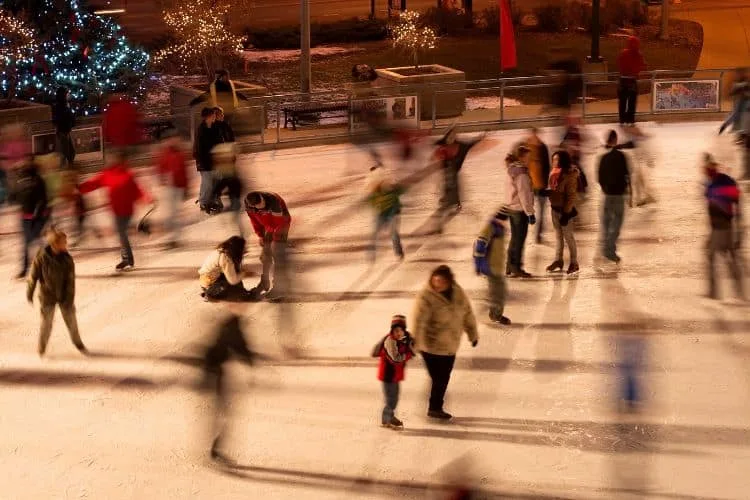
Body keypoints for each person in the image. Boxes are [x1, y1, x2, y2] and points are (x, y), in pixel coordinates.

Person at [413, 265, 478, 420]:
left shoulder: (457, 292)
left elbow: (467, 313)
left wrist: (473, 334)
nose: (437, 285)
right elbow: (419, 321)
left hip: (450, 344)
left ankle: (435, 406)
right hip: (431, 346)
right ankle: (435, 407)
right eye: (435, 281)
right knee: (439, 378)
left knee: (443, 377)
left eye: (441, 281)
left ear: (449, 281)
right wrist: (415, 343)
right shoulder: (426, 296)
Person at [78, 157, 153, 271]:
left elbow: (137, 190)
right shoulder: (108, 174)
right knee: (122, 234)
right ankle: (127, 258)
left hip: (127, 211)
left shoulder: (126, 175)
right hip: (117, 210)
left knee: (122, 233)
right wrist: (80, 187)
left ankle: (127, 260)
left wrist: (147, 198)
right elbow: (94, 183)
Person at [201, 313, 255, 461]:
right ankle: (216, 448)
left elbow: (241, 348)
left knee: (221, 413)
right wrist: (250, 361)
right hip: (217, 377)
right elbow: (241, 348)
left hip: (215, 375)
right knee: (224, 413)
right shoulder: (231, 332)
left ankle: (216, 447)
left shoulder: (223, 332)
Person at [27, 226, 87, 357]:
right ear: (54, 244)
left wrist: (69, 300)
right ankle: (41, 347)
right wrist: (29, 293)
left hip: (65, 296)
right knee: (46, 324)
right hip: (47, 296)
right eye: (63, 242)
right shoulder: (41, 257)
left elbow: (71, 282)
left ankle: (78, 343)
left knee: (71, 321)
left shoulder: (67, 260)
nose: (66, 245)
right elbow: (33, 276)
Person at [703, 154, 744, 301]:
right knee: (730, 258)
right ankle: (739, 291)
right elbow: (737, 204)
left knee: (712, 256)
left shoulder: (714, 186)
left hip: (721, 228)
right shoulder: (723, 182)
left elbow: (717, 206)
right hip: (726, 227)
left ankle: (714, 293)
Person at [244, 191, 291, 300]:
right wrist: (260, 235)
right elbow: (254, 220)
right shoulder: (248, 204)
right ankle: (264, 281)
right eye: (259, 208)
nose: (261, 208)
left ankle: (281, 286)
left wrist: (271, 242)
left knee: (278, 254)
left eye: (263, 206)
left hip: (281, 224)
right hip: (266, 225)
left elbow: (277, 223)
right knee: (265, 256)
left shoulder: (273, 201)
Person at [372, 315, 416, 430]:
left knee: (394, 398)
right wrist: (408, 354)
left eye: (401, 330)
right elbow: (395, 359)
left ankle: (390, 416)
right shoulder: (390, 341)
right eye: (396, 330)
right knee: (391, 399)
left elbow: (410, 344)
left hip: (394, 375)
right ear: (392, 330)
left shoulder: (401, 339)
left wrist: (410, 343)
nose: (398, 333)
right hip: (388, 375)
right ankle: (386, 420)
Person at [434, 127, 483, 219]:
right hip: (446, 168)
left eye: (453, 135)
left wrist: (479, 138)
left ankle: (456, 202)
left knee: (454, 185)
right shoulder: (444, 141)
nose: (452, 137)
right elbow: (436, 143)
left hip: (454, 168)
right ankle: (446, 199)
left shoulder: (460, 145)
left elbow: (470, 144)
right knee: (446, 184)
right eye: (450, 135)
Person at [597, 130, 631, 264]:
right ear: (615, 140)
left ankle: (606, 248)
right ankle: (609, 249)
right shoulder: (621, 157)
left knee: (605, 223)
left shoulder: (603, 158)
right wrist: (628, 192)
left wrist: (605, 188)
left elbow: (599, 177)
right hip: (618, 195)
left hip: (606, 195)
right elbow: (627, 175)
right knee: (617, 222)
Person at [473, 208, 511, 325]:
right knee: (498, 293)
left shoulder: (499, 228)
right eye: (504, 219)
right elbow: (479, 246)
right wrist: (478, 265)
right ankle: (495, 315)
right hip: (491, 267)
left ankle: (494, 312)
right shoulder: (491, 228)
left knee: (500, 292)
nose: (505, 222)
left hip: (498, 267)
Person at [546, 150, 580, 275]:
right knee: (558, 237)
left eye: (556, 160)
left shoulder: (570, 175)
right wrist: (548, 193)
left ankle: (574, 263)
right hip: (554, 209)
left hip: (565, 211)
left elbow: (571, 196)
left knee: (569, 238)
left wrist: (566, 213)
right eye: (553, 159)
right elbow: (555, 190)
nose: (554, 162)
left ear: (562, 161)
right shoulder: (554, 173)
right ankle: (558, 260)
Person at [504, 144, 535, 278]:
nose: (530, 160)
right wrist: (530, 213)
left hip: (512, 208)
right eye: (528, 157)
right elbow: (524, 194)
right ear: (522, 157)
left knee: (514, 239)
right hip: (520, 210)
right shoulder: (521, 173)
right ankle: (517, 267)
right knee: (519, 239)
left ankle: (510, 266)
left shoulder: (511, 169)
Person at [15, 160, 50, 279]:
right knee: (27, 243)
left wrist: (37, 214)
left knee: (35, 240)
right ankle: (24, 270)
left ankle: (47, 265)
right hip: (25, 217)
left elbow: (42, 199)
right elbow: (17, 197)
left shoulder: (39, 181)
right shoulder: (21, 182)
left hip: (38, 216)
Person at [364, 162, 405, 262]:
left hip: (390, 212)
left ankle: (398, 253)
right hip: (383, 213)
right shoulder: (373, 187)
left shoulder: (388, 184)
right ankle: (372, 255)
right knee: (381, 234)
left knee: (391, 234)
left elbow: (399, 191)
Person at [156, 129, 188, 249]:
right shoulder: (164, 153)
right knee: (168, 215)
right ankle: (171, 237)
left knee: (174, 214)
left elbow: (184, 173)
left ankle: (175, 238)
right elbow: (160, 169)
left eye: (176, 138)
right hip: (168, 188)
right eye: (172, 138)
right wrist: (162, 182)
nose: (175, 141)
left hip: (178, 188)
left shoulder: (180, 154)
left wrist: (186, 188)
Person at [199, 236, 255, 302]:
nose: (244, 250)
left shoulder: (222, 250)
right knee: (230, 284)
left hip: (208, 278)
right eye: (243, 248)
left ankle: (242, 293)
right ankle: (210, 293)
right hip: (209, 282)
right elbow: (233, 280)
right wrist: (245, 274)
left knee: (234, 273)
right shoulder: (226, 258)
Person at [524, 128, 551, 243]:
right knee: (527, 210)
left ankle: (538, 234)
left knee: (541, 211)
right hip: (529, 186)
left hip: (541, 186)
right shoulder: (525, 147)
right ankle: (527, 232)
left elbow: (547, 166)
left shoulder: (542, 147)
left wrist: (546, 183)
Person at [194, 107, 221, 214]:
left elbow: (219, 142)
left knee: (215, 181)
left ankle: (213, 200)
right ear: (207, 117)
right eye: (212, 115)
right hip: (204, 161)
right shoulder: (201, 130)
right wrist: (203, 162)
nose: (215, 116)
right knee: (207, 183)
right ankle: (204, 202)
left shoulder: (215, 127)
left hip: (215, 160)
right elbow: (200, 148)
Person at [102, 93, 142, 158]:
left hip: (117, 140)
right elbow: (134, 120)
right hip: (127, 138)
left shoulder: (110, 109)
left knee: (120, 157)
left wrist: (108, 137)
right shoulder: (127, 106)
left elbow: (107, 125)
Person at [617, 36, 645, 125]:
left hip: (623, 80)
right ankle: (630, 119)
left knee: (622, 102)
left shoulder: (623, 53)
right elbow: (641, 66)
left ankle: (622, 120)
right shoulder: (638, 55)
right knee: (632, 102)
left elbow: (620, 65)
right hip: (632, 80)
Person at [52, 87, 75, 169]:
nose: (68, 95)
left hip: (66, 131)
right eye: (67, 94)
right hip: (63, 131)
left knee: (70, 152)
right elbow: (60, 119)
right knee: (66, 153)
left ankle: (68, 168)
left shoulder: (66, 105)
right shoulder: (60, 106)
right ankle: (66, 169)